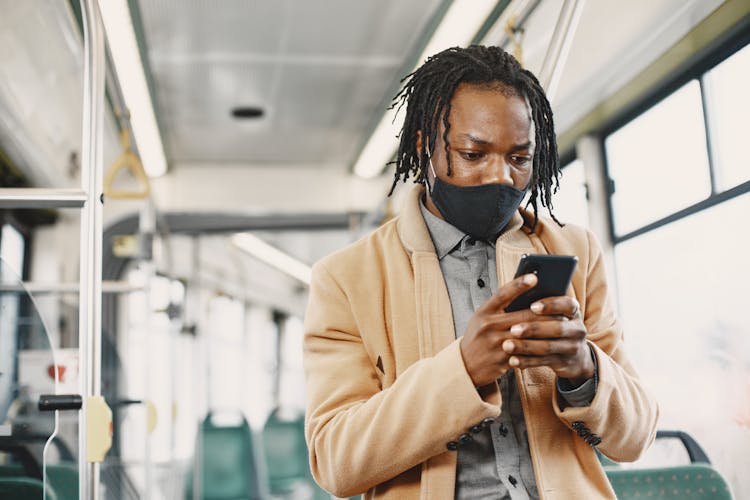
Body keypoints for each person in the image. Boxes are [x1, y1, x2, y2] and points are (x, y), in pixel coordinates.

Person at [303, 45, 658, 499]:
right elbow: (336, 461)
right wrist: (463, 371)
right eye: (474, 154)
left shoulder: (576, 252)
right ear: (422, 147)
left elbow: (636, 438)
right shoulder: (347, 279)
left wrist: (584, 371)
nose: (502, 177)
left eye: (520, 158)